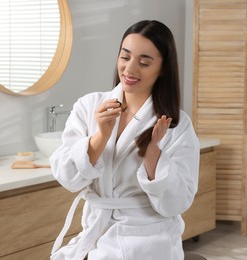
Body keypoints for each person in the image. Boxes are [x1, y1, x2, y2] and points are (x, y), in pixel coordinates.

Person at [49, 20, 200, 260]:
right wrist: (100, 136)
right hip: (96, 231)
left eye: (144, 62)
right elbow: (67, 177)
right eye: (125, 57)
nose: (130, 69)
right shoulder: (89, 107)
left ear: (163, 68)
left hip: (148, 239)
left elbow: (178, 202)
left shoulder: (177, 124)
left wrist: (153, 153)